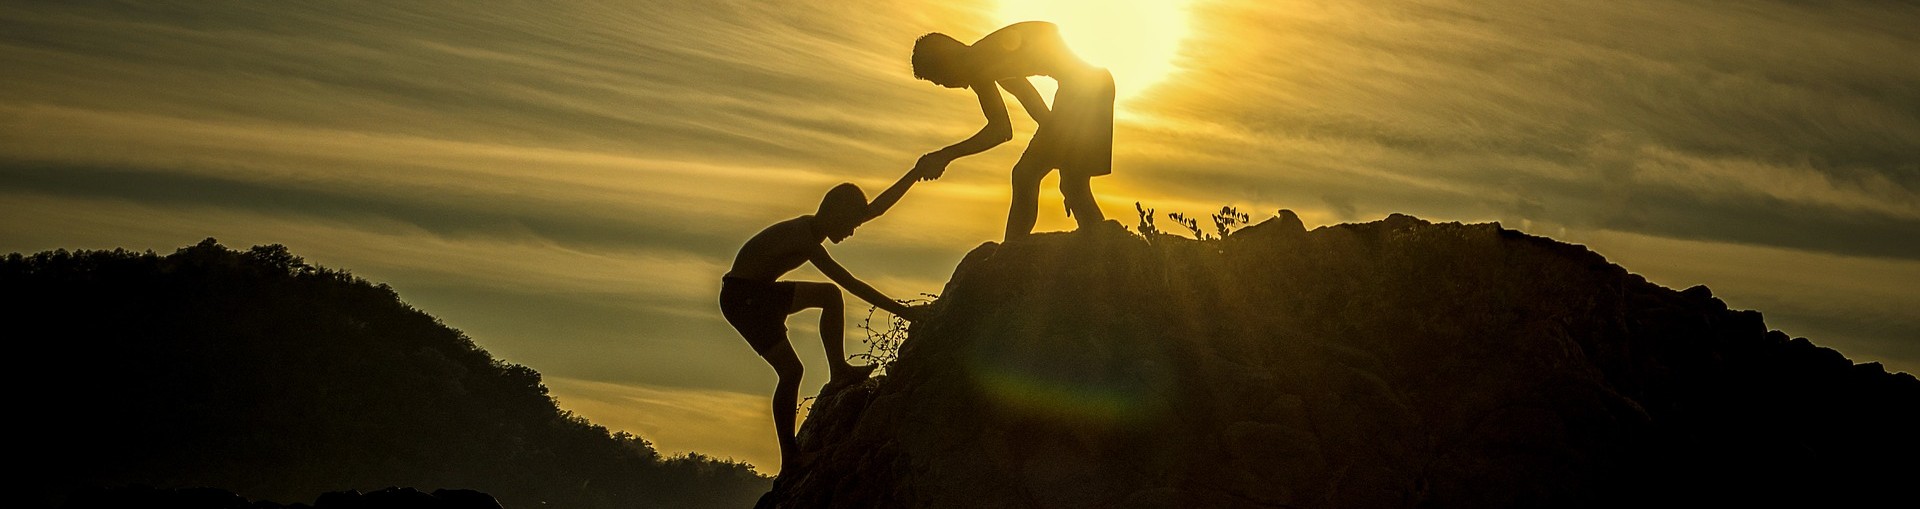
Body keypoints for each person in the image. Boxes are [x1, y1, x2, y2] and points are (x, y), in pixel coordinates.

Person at [719, 165, 924, 472]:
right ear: (836, 214)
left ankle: (839, 370)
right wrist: (905, 312)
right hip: (744, 299)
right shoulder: (804, 238)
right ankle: (791, 458)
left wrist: (915, 172)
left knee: (828, 296)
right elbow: (850, 282)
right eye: (851, 224)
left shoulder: (817, 228)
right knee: (791, 372)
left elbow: (876, 209)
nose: (853, 231)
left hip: (760, 291)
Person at [910, 21, 1116, 242]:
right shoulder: (985, 58)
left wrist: (945, 155)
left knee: (1027, 175)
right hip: (1091, 87)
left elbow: (1000, 130)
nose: (945, 85)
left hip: (1084, 92)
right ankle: (1102, 250)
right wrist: (1062, 155)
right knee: (1071, 186)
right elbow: (1033, 106)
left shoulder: (979, 63)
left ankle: (1011, 253)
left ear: (946, 63)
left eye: (940, 80)